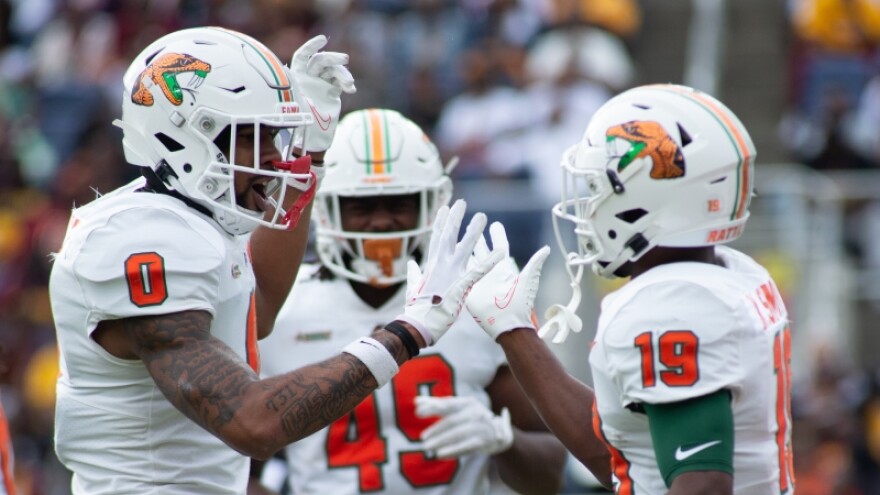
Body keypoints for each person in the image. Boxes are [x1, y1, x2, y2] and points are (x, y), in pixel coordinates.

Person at [48, 27, 503, 494]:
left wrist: (313, 156)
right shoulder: (141, 239)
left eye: (277, 137)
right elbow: (254, 423)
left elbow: (256, 311)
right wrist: (408, 333)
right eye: (252, 137)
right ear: (183, 136)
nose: (273, 157)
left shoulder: (193, 223)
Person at [463, 84, 795, 494]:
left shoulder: (671, 306)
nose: (589, 205)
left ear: (650, 199)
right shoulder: (732, 273)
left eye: (599, 189)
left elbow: (703, 484)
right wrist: (514, 332)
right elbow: (624, 456)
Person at [250, 108, 567, 495]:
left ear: (431, 204)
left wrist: (505, 441)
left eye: (399, 202)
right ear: (327, 210)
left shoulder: (478, 298)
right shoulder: (282, 308)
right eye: (361, 206)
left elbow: (550, 476)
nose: (381, 223)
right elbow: (238, 466)